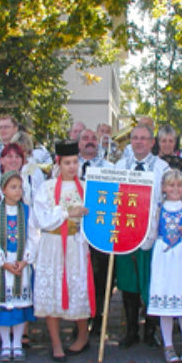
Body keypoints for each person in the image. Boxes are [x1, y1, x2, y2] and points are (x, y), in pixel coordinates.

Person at [32, 140, 94, 362]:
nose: (72, 167)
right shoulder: (46, 188)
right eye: (67, 163)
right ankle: (56, 343)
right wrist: (68, 212)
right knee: (53, 290)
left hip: (76, 244)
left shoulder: (86, 188)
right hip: (53, 245)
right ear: (59, 163)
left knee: (78, 287)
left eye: (75, 162)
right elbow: (42, 220)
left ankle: (82, 337)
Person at [142, 169, 182, 363]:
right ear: (163, 187)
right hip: (164, 258)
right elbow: (149, 237)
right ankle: (168, 344)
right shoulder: (157, 209)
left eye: (179, 185)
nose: (175, 189)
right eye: (171, 185)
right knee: (166, 300)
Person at [114, 123, 169, 348]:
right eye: (135, 138)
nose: (138, 142)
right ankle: (131, 330)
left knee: (151, 282)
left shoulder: (162, 168)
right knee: (128, 283)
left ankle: (150, 330)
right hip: (125, 233)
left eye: (143, 138)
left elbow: (168, 201)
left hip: (151, 234)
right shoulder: (119, 166)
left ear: (152, 142)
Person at [0, 171, 39, 362]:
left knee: (19, 307)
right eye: (13, 187)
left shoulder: (28, 211)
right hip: (2, 266)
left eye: (20, 187)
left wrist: (25, 259)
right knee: (4, 307)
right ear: (3, 190)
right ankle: (5, 343)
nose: (18, 191)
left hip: (20, 264)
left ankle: (18, 343)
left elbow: (34, 237)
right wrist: (2, 261)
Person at [77, 128, 114, 335]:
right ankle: (79, 321)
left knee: (100, 277)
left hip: (101, 229)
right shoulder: (69, 166)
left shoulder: (110, 167)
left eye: (93, 138)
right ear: (78, 142)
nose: (90, 142)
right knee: (79, 275)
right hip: (75, 232)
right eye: (85, 138)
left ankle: (99, 317)